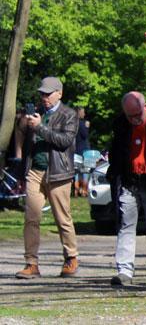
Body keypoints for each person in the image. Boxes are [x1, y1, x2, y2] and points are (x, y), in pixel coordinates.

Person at [15, 76, 80, 279]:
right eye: (42, 93)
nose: (44, 97)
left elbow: (64, 141)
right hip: (35, 170)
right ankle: (31, 263)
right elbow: (25, 143)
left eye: (48, 93)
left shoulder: (69, 114)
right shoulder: (36, 112)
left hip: (58, 173)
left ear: (59, 93)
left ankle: (71, 257)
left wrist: (40, 127)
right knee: (31, 218)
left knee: (63, 218)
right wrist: (23, 126)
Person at [108, 91, 146, 288]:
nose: (135, 119)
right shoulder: (120, 123)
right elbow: (115, 151)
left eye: (138, 115)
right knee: (126, 226)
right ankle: (124, 270)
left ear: (145, 107)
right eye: (130, 116)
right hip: (129, 181)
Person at [73, 107, 90, 197]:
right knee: (85, 171)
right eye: (83, 112)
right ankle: (84, 191)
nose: (84, 114)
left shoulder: (72, 123)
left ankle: (76, 191)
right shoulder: (82, 124)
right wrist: (87, 127)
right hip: (83, 150)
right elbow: (85, 135)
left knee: (76, 171)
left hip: (75, 150)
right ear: (79, 113)